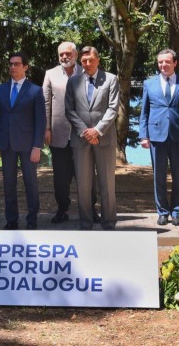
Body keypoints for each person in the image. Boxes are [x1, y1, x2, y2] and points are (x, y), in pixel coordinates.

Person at [64, 46, 120, 230]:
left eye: (91, 60)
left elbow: (113, 108)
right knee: (83, 185)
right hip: (81, 140)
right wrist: (85, 131)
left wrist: (97, 130)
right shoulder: (73, 81)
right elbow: (69, 110)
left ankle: (108, 222)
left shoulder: (111, 79)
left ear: (98, 60)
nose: (87, 64)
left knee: (107, 184)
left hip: (104, 139)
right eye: (84, 61)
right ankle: (86, 222)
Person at [139, 48, 179, 226]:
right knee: (159, 176)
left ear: (175, 63)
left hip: (178, 135)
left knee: (178, 176)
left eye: (167, 62)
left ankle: (176, 212)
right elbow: (144, 112)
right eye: (160, 62)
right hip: (156, 136)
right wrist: (144, 135)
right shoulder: (149, 84)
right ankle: (162, 212)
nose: (163, 65)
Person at [0, 52, 46, 230]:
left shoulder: (35, 90)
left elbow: (40, 121)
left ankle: (32, 220)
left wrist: (37, 146)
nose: (12, 67)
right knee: (8, 184)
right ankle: (11, 220)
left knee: (31, 183)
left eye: (16, 64)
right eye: (11, 64)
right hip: (6, 144)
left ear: (25, 67)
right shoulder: (0, 90)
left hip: (28, 145)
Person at [43, 42, 92, 224]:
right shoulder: (50, 74)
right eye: (61, 54)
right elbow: (45, 103)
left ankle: (90, 210)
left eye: (68, 54)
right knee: (61, 178)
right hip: (58, 133)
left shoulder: (86, 72)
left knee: (86, 176)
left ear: (76, 55)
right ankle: (62, 209)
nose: (64, 57)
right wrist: (46, 128)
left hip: (83, 133)